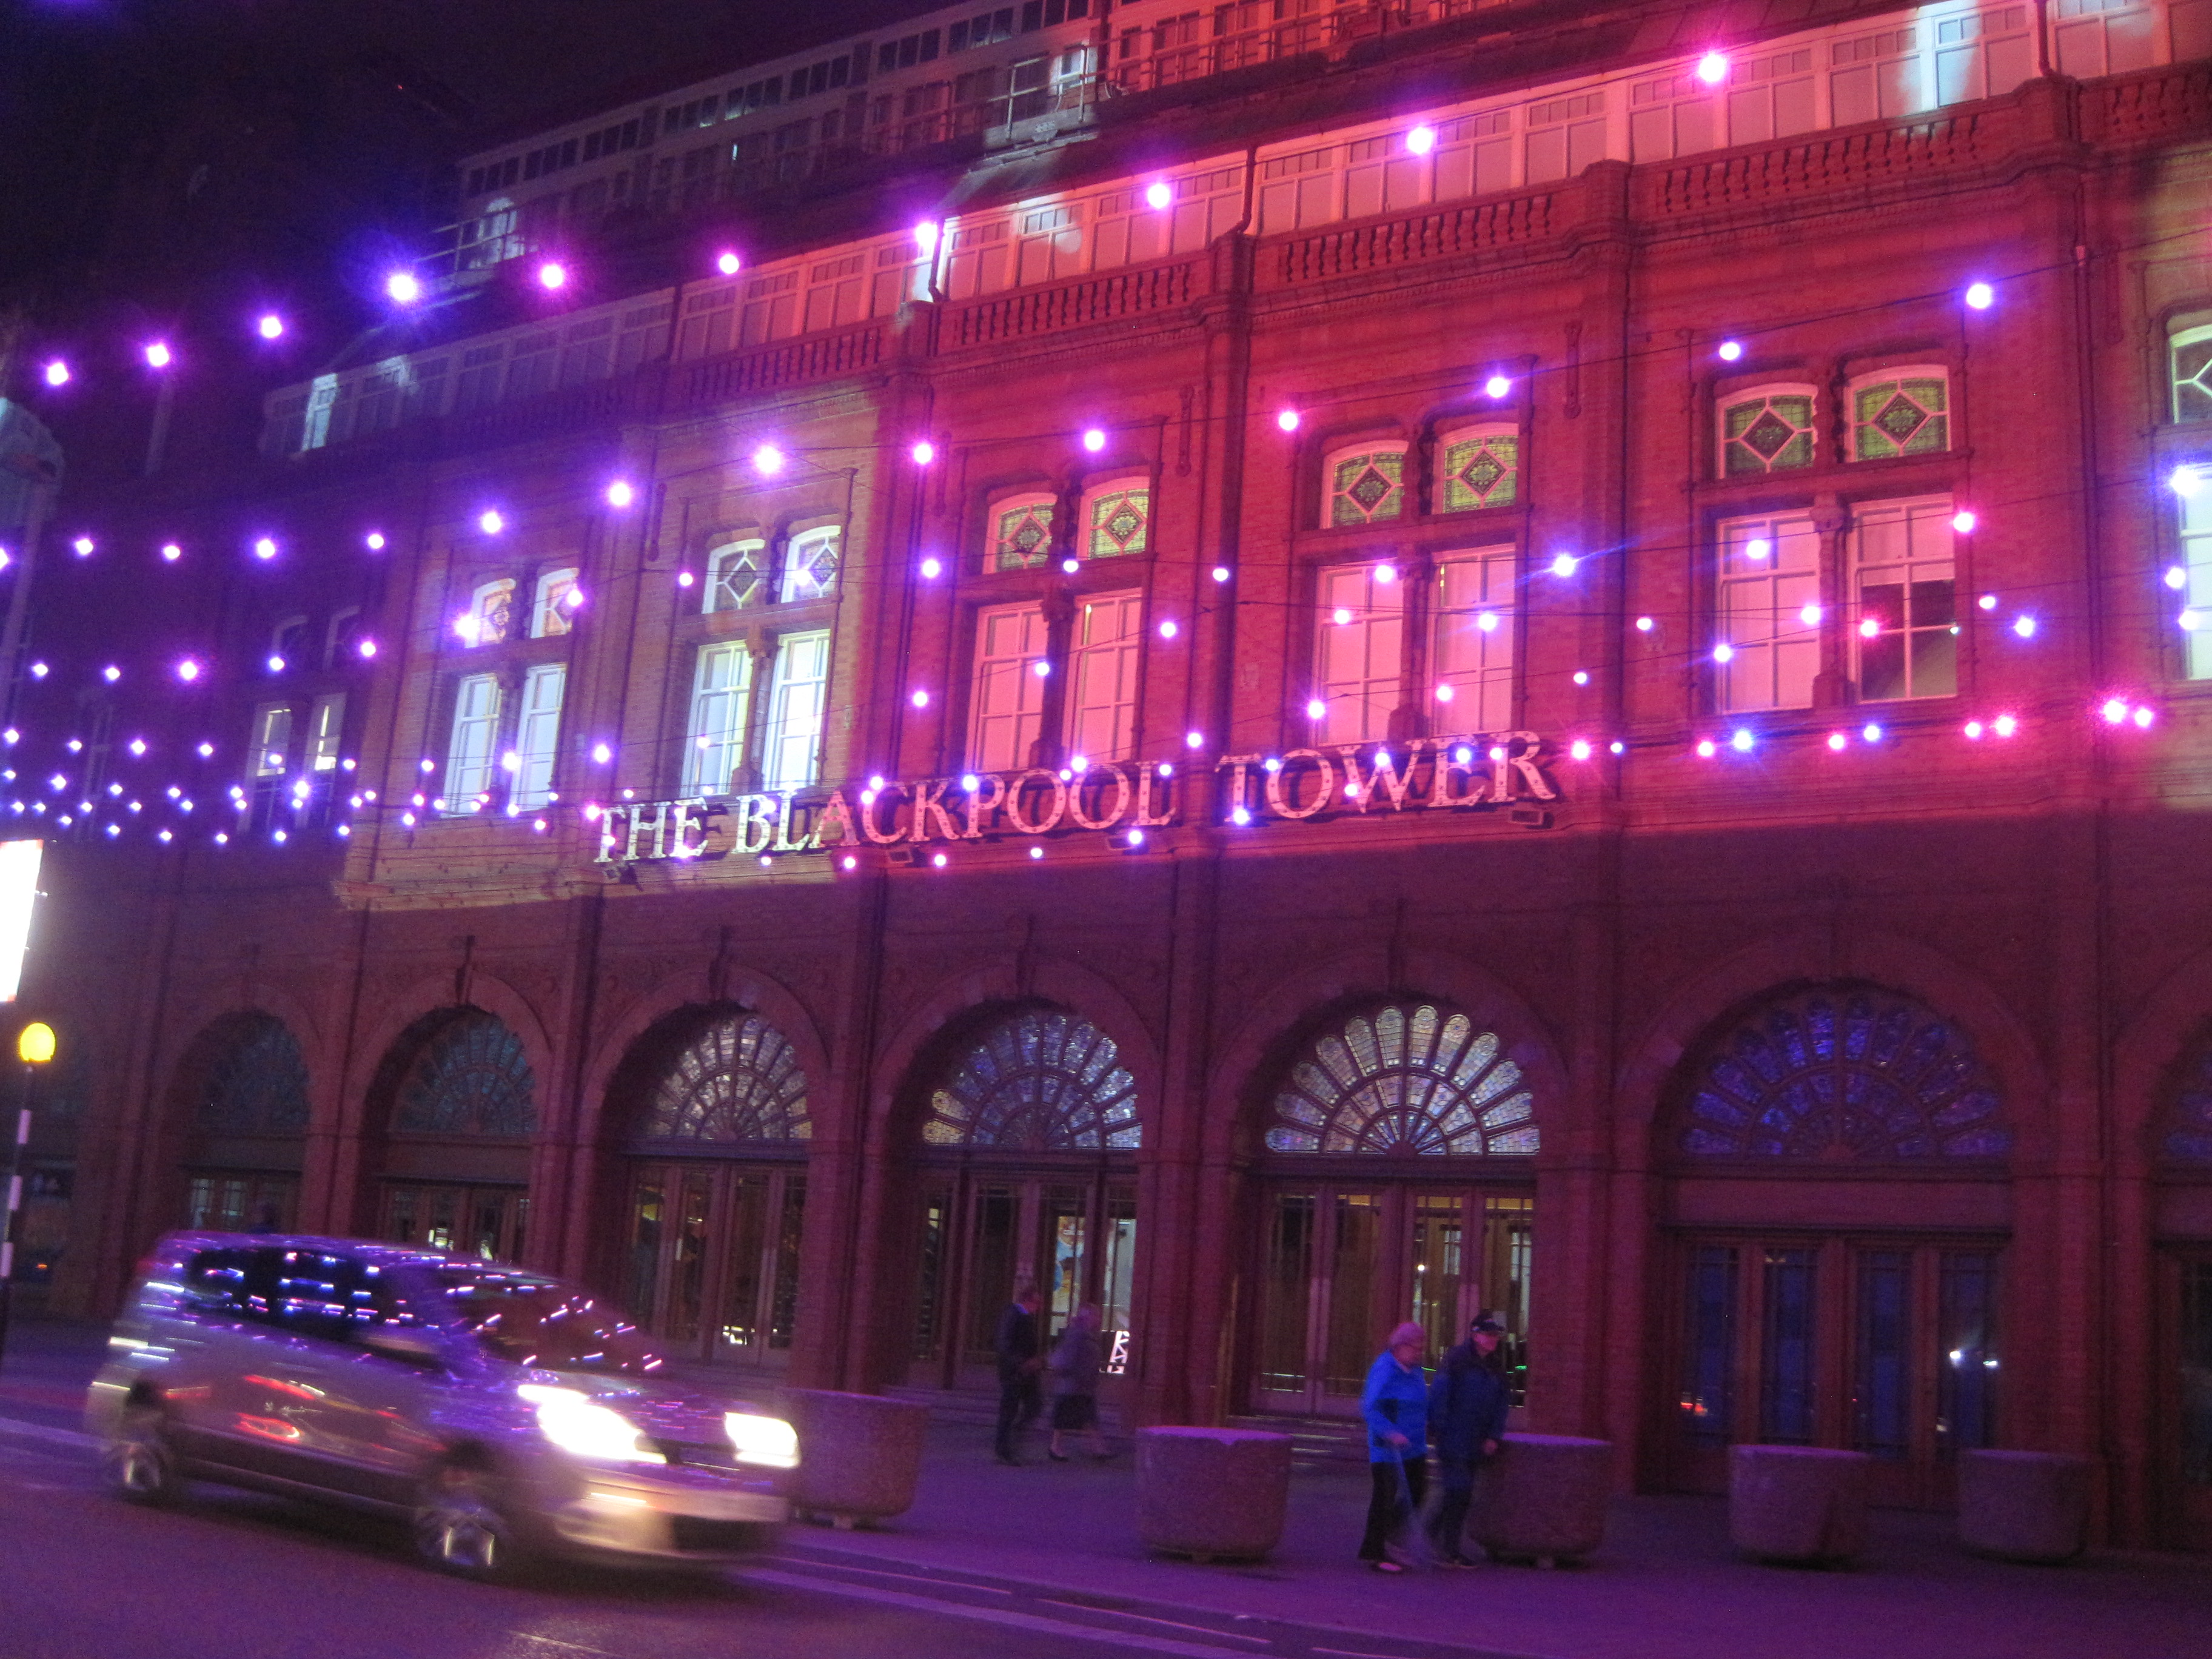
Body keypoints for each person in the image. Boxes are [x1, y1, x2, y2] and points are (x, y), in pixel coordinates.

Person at [1427, 1312, 1511, 1567]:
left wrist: (1493, 1436)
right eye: (1489, 1335)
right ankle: (1447, 1548)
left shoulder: (1495, 1366)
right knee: (1458, 1491)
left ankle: (1438, 1538)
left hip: (1475, 1441)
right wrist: (1441, 1430)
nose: (1493, 1340)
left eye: (1496, 1335)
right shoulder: (1457, 1360)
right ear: (1475, 1335)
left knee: (1460, 1492)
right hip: (1455, 1437)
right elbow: (1440, 1397)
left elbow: (1501, 1405)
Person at [1358, 1320, 1430, 1572]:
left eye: (1422, 1348)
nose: (1419, 1353)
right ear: (1400, 1346)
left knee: (1418, 1490)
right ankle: (1376, 1552)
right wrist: (1390, 1432)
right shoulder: (1385, 1369)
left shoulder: (1416, 1370)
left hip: (1414, 1445)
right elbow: (1369, 1406)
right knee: (1385, 1495)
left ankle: (1391, 1538)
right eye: (1415, 1348)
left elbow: (1420, 1402)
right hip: (1388, 1448)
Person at [1046, 1302, 1108, 1461]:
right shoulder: (1078, 1334)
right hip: (1074, 1385)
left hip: (1078, 1385)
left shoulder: (1082, 1332)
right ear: (1088, 1317)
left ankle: (1098, 1449)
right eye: (1096, 1315)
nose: (1098, 1319)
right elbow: (1070, 1359)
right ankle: (1058, 1448)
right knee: (1071, 1419)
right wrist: (1082, 1375)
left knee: (1087, 1418)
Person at [993, 1282, 1044, 1465]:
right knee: (1010, 1410)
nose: (1038, 1308)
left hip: (1025, 1372)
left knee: (1034, 1405)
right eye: (1036, 1303)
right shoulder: (1013, 1314)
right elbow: (1004, 1343)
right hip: (1014, 1373)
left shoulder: (1025, 1317)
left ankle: (1011, 1441)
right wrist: (1021, 1362)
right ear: (1028, 1301)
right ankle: (1005, 1449)